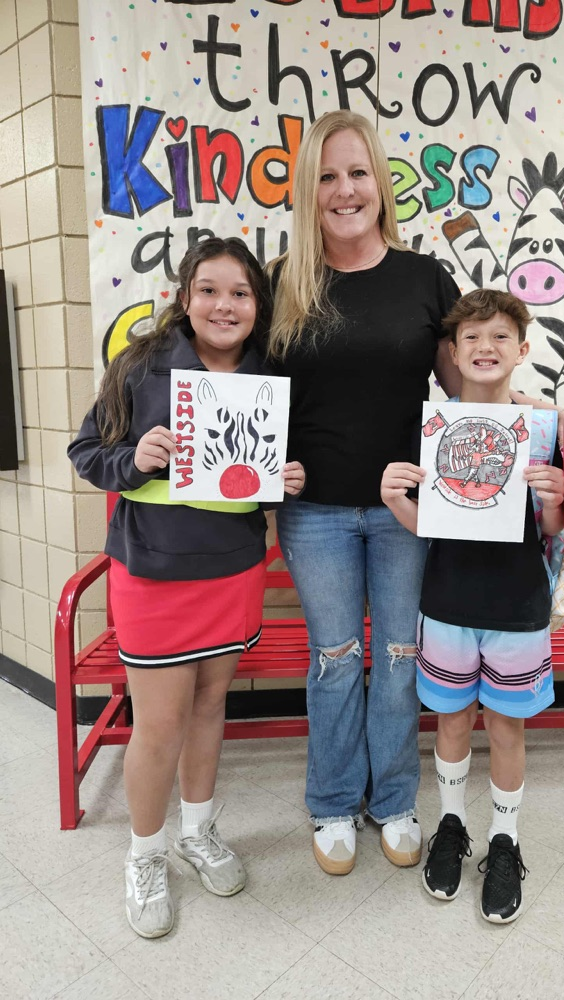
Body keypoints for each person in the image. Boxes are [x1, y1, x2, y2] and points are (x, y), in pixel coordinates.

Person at [266, 109, 564, 877]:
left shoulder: (422, 278)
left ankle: (397, 800)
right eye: (328, 176)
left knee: (402, 655)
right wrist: (260, 468)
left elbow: (470, 382)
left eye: (358, 172)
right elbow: (254, 392)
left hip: (414, 507)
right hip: (314, 513)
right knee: (338, 657)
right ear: (309, 191)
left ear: (380, 181)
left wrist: (544, 415)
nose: (346, 190)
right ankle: (335, 801)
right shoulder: (282, 281)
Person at [68, 238, 305, 939]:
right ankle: (144, 855)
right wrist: (132, 459)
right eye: (209, 289)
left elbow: (275, 468)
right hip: (155, 572)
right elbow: (87, 452)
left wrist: (288, 480)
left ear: (257, 306)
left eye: (240, 292)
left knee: (207, 708)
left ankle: (196, 832)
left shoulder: (269, 374)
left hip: (232, 569)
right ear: (184, 295)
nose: (223, 304)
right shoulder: (140, 366)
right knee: (159, 723)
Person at [380, 287, 564, 923]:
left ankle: (506, 841)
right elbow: (426, 523)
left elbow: (554, 529)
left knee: (506, 726)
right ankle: (452, 826)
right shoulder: (436, 426)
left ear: (522, 349)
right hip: (449, 602)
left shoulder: (543, 430)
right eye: (471, 338)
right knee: (452, 720)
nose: (485, 347)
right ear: (453, 353)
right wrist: (396, 498)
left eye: (499, 337)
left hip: (517, 606)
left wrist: (553, 496)